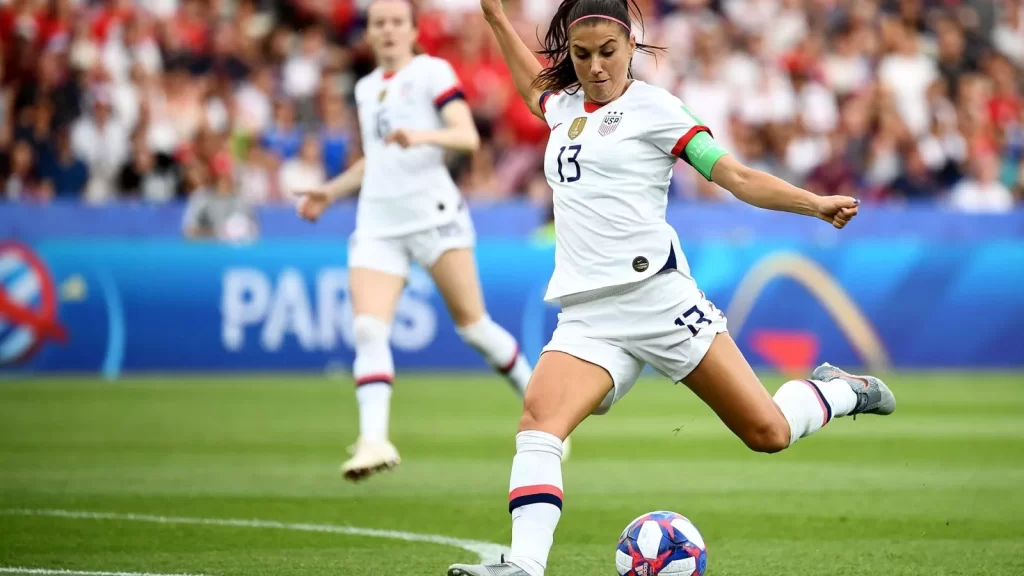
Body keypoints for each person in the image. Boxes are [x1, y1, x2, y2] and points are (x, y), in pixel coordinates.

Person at [447, 0, 897, 574]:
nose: (596, 67)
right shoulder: (562, 109)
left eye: (608, 52)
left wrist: (813, 204)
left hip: (659, 302)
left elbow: (733, 175)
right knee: (539, 423)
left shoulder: (658, 110)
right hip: (587, 316)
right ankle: (525, 566)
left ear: (632, 45)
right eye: (582, 56)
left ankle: (838, 391)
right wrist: (494, 19)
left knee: (768, 432)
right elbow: (529, 82)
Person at [295, 0, 546, 482]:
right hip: (378, 223)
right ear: (368, 34)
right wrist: (328, 191)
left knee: (474, 327)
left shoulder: (433, 72)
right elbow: (376, 160)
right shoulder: (367, 89)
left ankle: (542, 401)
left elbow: (467, 137)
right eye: (379, 24)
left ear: (414, 32)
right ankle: (374, 439)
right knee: (368, 329)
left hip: (434, 218)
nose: (387, 31)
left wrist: (423, 135)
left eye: (396, 23)